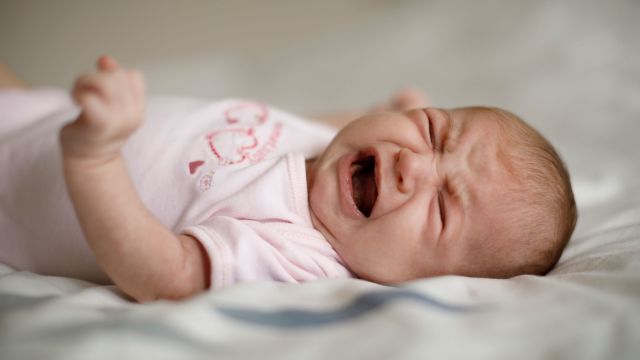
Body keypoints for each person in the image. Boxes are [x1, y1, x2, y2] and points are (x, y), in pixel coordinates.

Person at [0, 56, 577, 302]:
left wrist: (95, 158)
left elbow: (165, 275)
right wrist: (389, 105)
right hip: (34, 111)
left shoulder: (299, 252)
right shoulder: (337, 150)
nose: (413, 163)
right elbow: (338, 123)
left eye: (443, 209)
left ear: (421, 282)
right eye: (431, 131)